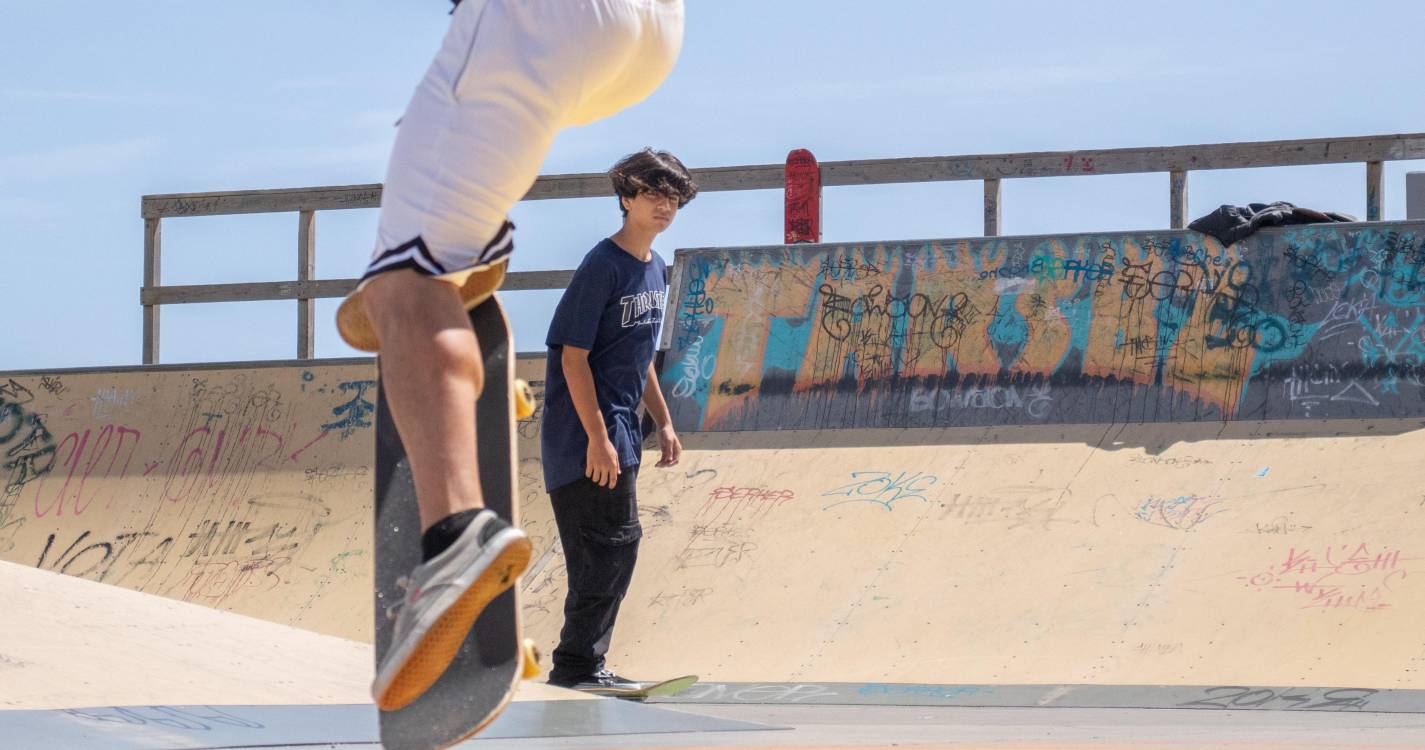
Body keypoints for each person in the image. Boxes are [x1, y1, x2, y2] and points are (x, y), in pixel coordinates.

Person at [334, 0, 686, 711]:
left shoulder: (638, 265)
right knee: (462, 160)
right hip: (650, 42)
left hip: (548, 20)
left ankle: (456, 538)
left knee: (402, 287)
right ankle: (465, 250)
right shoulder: (618, 266)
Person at [541, 148, 696, 693]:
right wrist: (597, 439)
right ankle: (578, 666)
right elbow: (571, 356)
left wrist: (665, 420)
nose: (664, 206)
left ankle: (582, 664)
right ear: (626, 199)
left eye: (672, 198)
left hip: (622, 435)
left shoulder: (654, 267)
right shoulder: (601, 265)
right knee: (606, 550)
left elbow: (639, 355)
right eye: (653, 195)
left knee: (617, 548)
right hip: (584, 440)